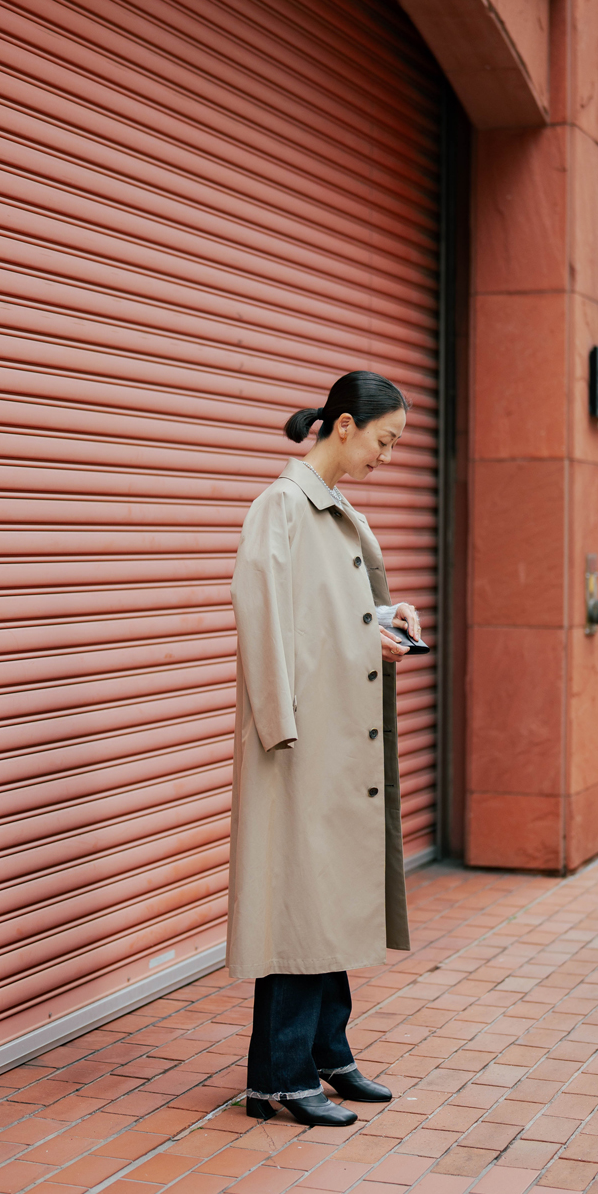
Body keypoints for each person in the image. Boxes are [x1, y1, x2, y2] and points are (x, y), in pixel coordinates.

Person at [228, 369, 421, 1126]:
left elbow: (334, 616)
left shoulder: (335, 508)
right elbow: (264, 622)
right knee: (297, 908)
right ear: (344, 426)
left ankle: (327, 1054)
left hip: (337, 739)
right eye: (384, 440)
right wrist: (280, 727)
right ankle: (278, 1078)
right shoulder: (281, 507)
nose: (387, 456)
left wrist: (386, 617)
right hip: (300, 742)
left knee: (328, 899)